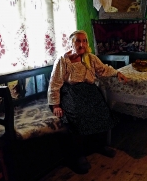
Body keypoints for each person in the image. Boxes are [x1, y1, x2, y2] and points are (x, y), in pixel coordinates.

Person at [47, 30, 128, 174]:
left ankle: (99, 145)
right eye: (78, 41)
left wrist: (117, 73)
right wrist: (55, 105)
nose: (81, 44)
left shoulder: (90, 58)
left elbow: (103, 69)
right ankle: (79, 155)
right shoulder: (63, 60)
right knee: (78, 115)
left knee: (102, 110)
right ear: (71, 43)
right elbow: (54, 83)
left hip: (89, 90)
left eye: (84, 41)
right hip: (71, 92)